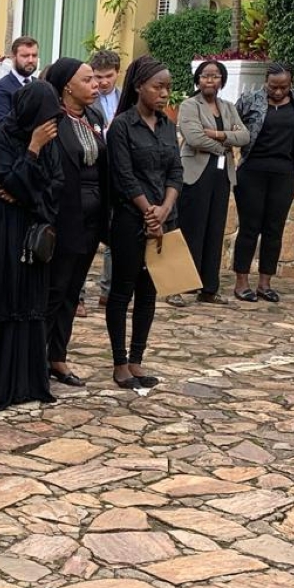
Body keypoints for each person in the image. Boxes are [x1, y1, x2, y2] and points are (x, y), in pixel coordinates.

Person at [0, 81, 62, 410]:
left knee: (30, 301)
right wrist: (32, 150)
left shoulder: (54, 140)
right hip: (0, 230)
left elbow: (54, 188)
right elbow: (17, 182)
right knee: (0, 297)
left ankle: (26, 382)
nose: (48, 124)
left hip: (32, 229)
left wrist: (23, 191)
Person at [105, 56, 181, 389]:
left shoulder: (167, 125)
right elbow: (122, 175)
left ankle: (137, 360)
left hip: (163, 220)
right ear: (139, 87)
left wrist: (164, 209)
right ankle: (119, 362)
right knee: (122, 292)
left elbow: (176, 172)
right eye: (158, 87)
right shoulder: (122, 126)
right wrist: (148, 211)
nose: (164, 93)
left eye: (168, 87)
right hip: (130, 220)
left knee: (149, 294)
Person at [41, 58, 108, 387]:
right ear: (67, 86)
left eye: (96, 79)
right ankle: (37, 356)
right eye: (87, 80)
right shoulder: (52, 120)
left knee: (73, 291)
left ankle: (58, 357)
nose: (95, 85)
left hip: (92, 216)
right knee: (55, 288)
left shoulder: (94, 117)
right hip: (65, 213)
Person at [233, 63, 294, 303]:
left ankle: (265, 282)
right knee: (250, 227)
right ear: (265, 82)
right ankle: (241, 282)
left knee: (274, 228)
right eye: (273, 87)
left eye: (283, 87)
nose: (278, 92)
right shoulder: (250, 100)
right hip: (252, 171)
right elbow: (235, 123)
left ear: (291, 84)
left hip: (285, 172)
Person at [171, 60, 249, 307]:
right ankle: (178, 288)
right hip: (195, 174)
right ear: (198, 79)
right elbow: (193, 137)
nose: (210, 81)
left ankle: (208, 288)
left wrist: (216, 134)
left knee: (214, 231)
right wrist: (224, 146)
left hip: (221, 176)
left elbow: (245, 136)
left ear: (222, 81)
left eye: (215, 77)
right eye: (205, 76)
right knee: (190, 230)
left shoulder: (227, 107)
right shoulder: (189, 105)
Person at [89, 49, 123, 311]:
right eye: (98, 76)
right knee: (85, 233)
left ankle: (108, 291)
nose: (102, 82)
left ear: (117, 73)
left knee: (115, 234)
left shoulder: (126, 99)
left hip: (119, 172)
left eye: (107, 76)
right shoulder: (87, 99)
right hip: (93, 170)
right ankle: (76, 295)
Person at [0, 36, 40, 122]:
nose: (31, 60)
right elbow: (3, 125)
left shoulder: (41, 85)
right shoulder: (0, 88)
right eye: (25, 56)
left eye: (34, 55)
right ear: (13, 57)